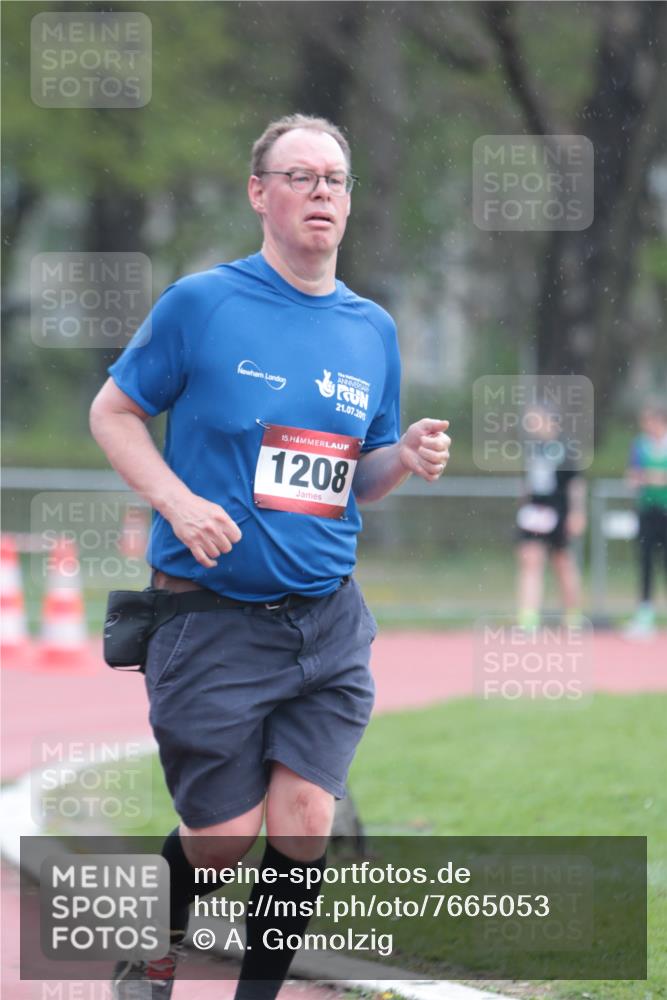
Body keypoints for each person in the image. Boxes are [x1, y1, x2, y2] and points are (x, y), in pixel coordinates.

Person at [89, 113, 451, 1000]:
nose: (321, 191)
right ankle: (153, 941)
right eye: (300, 176)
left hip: (325, 619)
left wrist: (399, 458)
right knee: (221, 839)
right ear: (260, 194)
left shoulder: (372, 330)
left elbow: (349, 479)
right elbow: (113, 412)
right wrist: (175, 499)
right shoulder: (203, 304)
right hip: (208, 617)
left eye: (334, 178)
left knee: (302, 822)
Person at [515, 404, 587, 629]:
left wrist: (577, 513)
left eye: (536, 420)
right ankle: (528, 617)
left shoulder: (566, 447)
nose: (532, 425)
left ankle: (572, 614)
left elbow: (576, 484)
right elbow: (529, 481)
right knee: (530, 560)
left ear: (550, 421)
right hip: (535, 511)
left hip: (559, 511)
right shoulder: (533, 447)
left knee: (562, 563)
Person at [623, 402, 667, 639]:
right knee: (646, 562)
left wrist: (650, 477)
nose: (645, 426)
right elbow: (633, 476)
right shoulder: (640, 445)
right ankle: (645, 616)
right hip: (648, 512)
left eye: (649, 421)